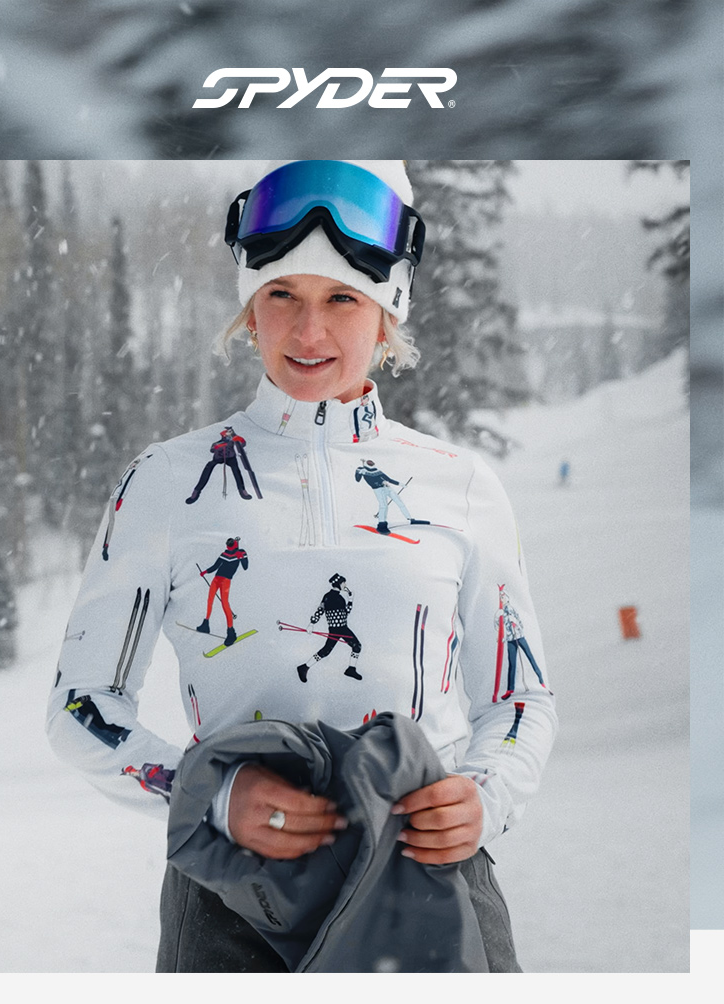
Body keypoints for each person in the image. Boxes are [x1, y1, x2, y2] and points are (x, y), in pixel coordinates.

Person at [47, 159, 557, 973]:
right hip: (229, 898)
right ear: (250, 310)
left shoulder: (461, 486)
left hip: (427, 877)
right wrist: (210, 795)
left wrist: (485, 798)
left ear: (388, 314)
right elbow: (81, 703)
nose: (308, 332)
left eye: (342, 300)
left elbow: (519, 695)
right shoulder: (167, 481)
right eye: (282, 295)